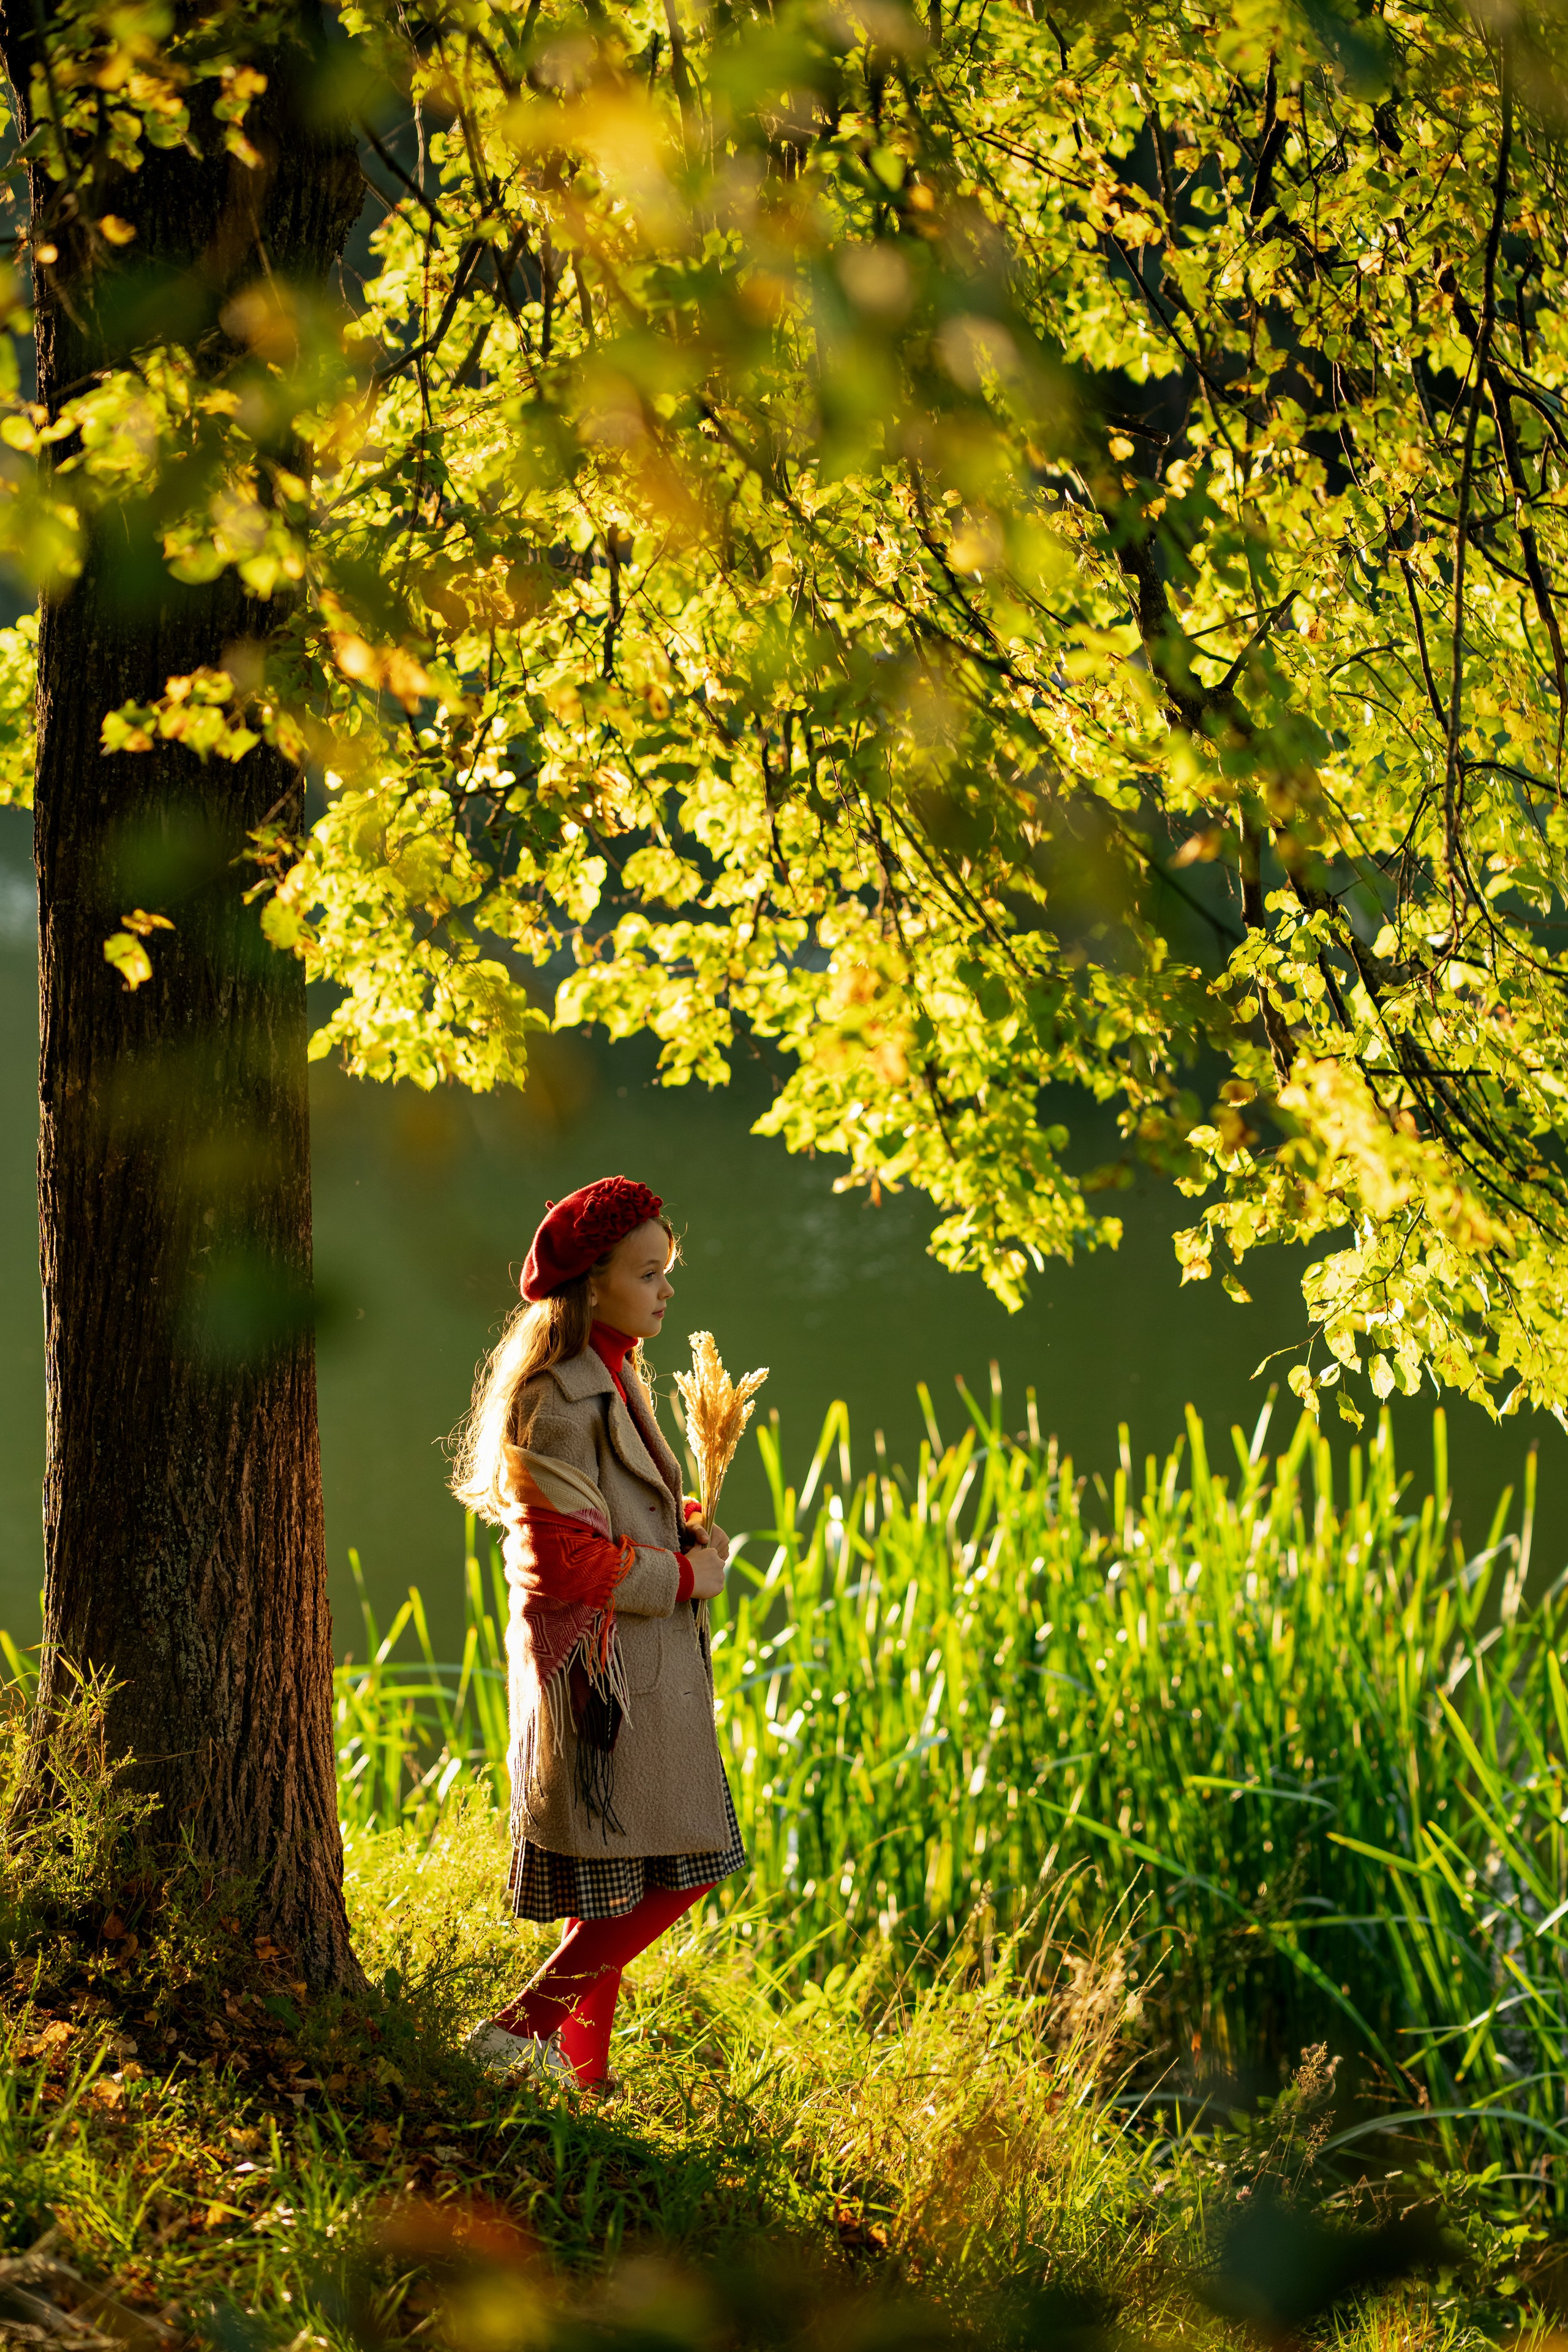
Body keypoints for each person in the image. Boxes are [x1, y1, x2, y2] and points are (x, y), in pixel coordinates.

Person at [450, 1175, 746, 2090]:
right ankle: (516, 2030)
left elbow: (602, 1520)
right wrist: (687, 1573)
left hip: (637, 1670)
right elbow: (560, 1565)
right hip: (600, 1677)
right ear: (591, 1283)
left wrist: (676, 1519)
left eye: (668, 1271)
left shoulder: (618, 1371)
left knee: (618, 1881)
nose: (666, 1290)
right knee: (687, 1867)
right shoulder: (561, 1396)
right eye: (649, 1272)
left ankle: (581, 2077)